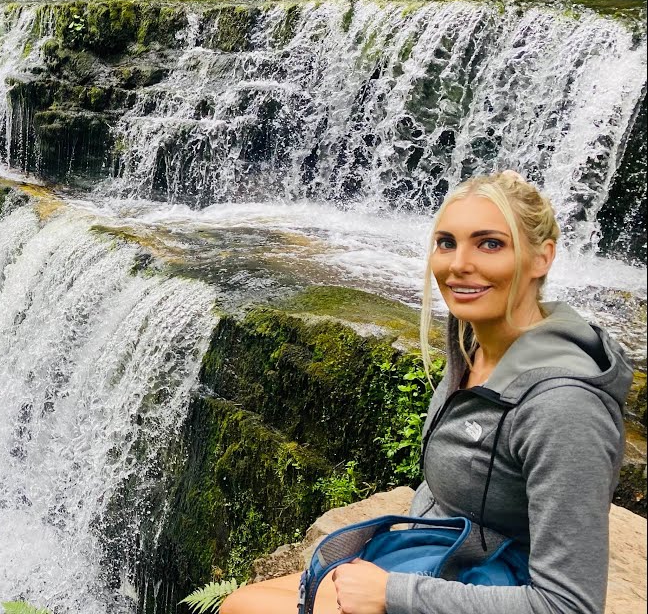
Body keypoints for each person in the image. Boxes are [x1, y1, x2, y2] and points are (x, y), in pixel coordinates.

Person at [220, 171, 632, 614]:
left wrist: (391, 593)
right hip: (444, 556)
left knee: (242, 608)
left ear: (541, 258)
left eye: (490, 243)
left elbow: (570, 605)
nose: (458, 264)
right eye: (447, 242)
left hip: (487, 586)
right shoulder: (474, 345)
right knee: (245, 601)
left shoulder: (565, 408)